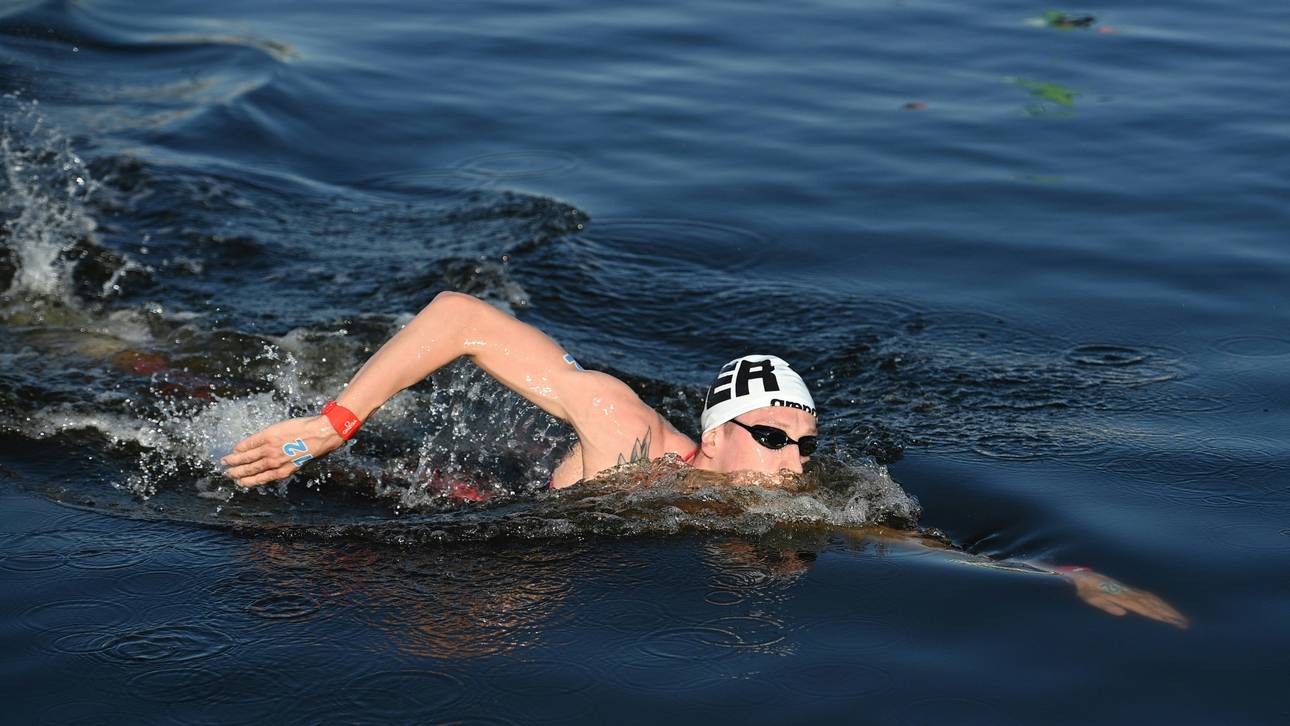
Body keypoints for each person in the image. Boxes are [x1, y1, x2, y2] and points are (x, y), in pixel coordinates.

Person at [221, 290, 1188, 628]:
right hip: (458, 492)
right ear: (716, 431)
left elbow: (904, 537)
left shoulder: (782, 501)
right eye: (771, 438)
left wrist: (1065, 575)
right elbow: (463, 318)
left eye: (803, 445)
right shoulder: (626, 427)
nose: (790, 462)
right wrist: (334, 421)